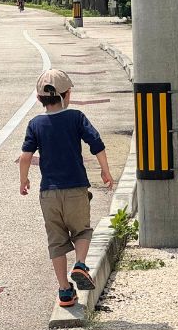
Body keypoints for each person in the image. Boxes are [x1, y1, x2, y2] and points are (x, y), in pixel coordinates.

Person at [19, 69, 115, 307]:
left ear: (40, 98)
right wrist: (105, 170)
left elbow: (25, 156)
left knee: (56, 241)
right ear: (67, 94)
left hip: (48, 193)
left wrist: (24, 180)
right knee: (81, 231)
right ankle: (81, 264)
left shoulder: (35, 124)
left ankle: (64, 291)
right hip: (76, 188)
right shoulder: (76, 117)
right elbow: (97, 143)